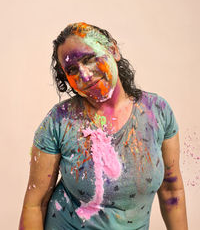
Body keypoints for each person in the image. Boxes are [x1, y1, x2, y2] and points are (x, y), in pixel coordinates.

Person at [19, 22, 188, 230]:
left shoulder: (158, 112)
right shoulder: (60, 121)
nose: (85, 75)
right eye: (72, 70)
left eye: (89, 59)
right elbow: (35, 204)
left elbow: (172, 190)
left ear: (113, 50)